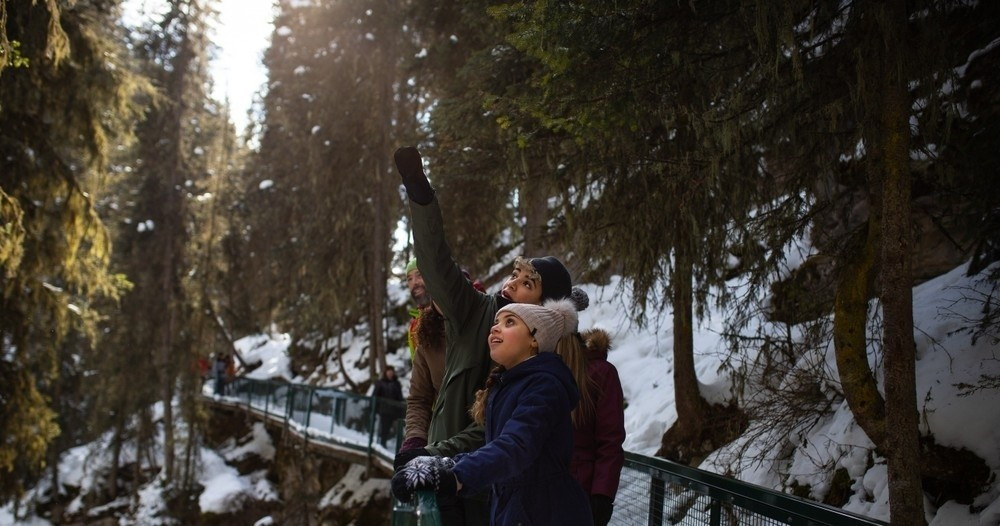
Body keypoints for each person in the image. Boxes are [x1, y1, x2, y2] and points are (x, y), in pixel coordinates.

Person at [393, 146, 589, 525]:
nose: (511, 285)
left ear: (542, 319)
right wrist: (420, 197)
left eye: (526, 282)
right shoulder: (477, 312)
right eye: (514, 275)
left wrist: (442, 462)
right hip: (473, 487)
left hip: (499, 493)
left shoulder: (546, 374)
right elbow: (438, 268)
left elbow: (510, 441)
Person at [392, 299, 593, 526]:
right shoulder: (504, 386)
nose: (495, 327)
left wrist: (456, 476)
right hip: (514, 509)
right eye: (496, 322)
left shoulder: (544, 386)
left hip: (548, 512)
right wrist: (447, 463)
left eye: (509, 322)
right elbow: (493, 449)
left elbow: (515, 446)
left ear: (534, 340)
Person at [561, 329, 626, 526]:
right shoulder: (535, 368)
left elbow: (610, 440)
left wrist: (602, 495)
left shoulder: (599, 372)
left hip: (581, 491)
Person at [401, 257, 447, 453]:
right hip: (434, 416)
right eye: (409, 279)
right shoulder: (415, 325)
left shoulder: (459, 315)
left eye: (419, 275)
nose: (414, 283)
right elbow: (420, 385)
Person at [374, 366, 405, 445]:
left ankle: (392, 444)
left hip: (394, 410)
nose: (390, 374)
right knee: (385, 427)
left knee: (394, 428)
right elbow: (375, 396)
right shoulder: (380, 383)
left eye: (391, 372)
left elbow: (399, 397)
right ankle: (382, 443)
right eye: (389, 372)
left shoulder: (396, 383)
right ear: (386, 373)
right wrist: (376, 408)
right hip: (384, 410)